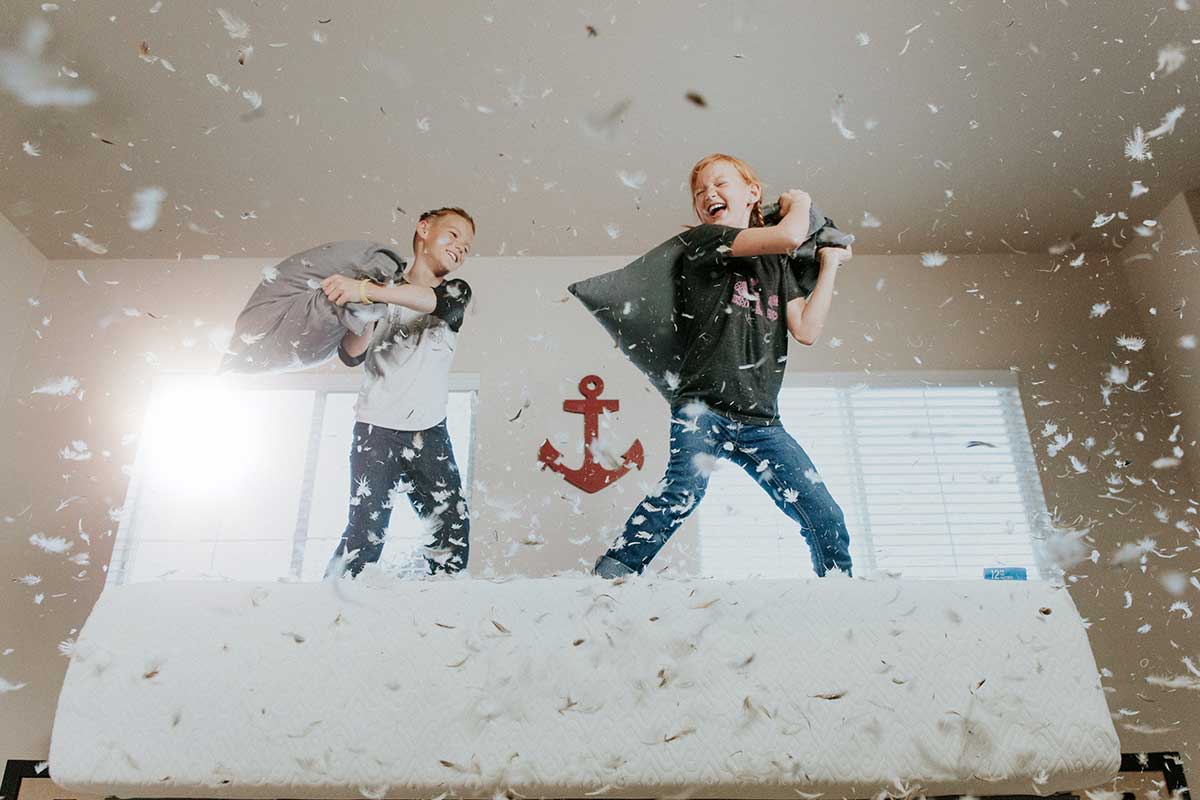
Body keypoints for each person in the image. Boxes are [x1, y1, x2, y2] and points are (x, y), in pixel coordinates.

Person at [592, 154, 854, 579]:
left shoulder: (778, 265)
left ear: (752, 194)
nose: (708, 195)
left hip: (761, 420)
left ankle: (843, 589)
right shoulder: (706, 241)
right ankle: (608, 578)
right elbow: (789, 234)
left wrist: (827, 266)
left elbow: (806, 328)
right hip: (702, 407)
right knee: (682, 490)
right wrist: (800, 202)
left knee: (823, 513)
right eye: (700, 192)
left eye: (720, 184)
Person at [320, 207, 476, 578]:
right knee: (365, 536)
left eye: (468, 246)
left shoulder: (454, 291)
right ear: (423, 229)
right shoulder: (380, 289)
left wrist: (368, 290)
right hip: (375, 431)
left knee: (452, 534)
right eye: (453, 235)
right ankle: (327, 608)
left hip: (429, 433)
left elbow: (439, 305)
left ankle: (437, 613)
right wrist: (365, 305)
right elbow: (350, 354)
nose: (461, 248)